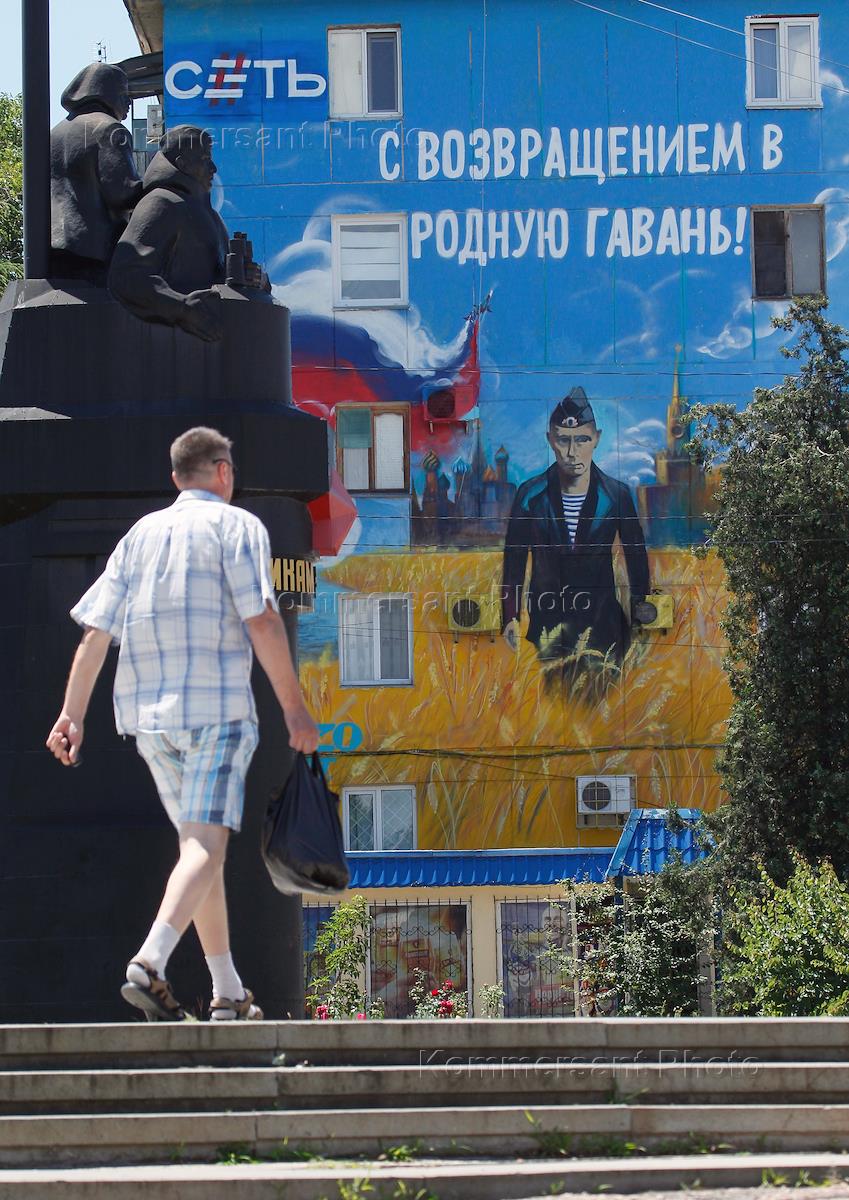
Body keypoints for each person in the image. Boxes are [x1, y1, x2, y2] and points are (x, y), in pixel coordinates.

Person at [45, 427, 319, 1021]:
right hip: (217, 713)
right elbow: (262, 619)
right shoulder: (237, 526)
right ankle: (149, 961)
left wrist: (71, 714)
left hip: (149, 721)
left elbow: (96, 633)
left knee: (198, 849)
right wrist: (294, 709)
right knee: (204, 846)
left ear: (175, 478)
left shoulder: (139, 536)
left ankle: (227, 992)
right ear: (224, 472)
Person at [501, 387, 650, 664]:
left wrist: (641, 613)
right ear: (550, 440)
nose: (572, 452)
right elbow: (514, 560)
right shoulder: (530, 495)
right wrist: (509, 615)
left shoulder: (616, 496)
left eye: (582, 439)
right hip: (547, 626)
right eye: (563, 440)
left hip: (604, 626)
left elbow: (636, 557)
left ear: (597, 439)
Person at [108, 125, 228, 342]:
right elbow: (126, 275)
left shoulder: (212, 217)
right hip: (173, 347)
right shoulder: (161, 202)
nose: (214, 168)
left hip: (210, 349)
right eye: (204, 159)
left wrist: (254, 280)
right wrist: (181, 308)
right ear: (182, 164)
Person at [50, 63, 142, 281]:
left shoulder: (55, 133)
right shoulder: (109, 128)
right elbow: (123, 193)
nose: (129, 103)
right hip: (94, 247)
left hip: (51, 245)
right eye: (124, 94)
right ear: (106, 92)